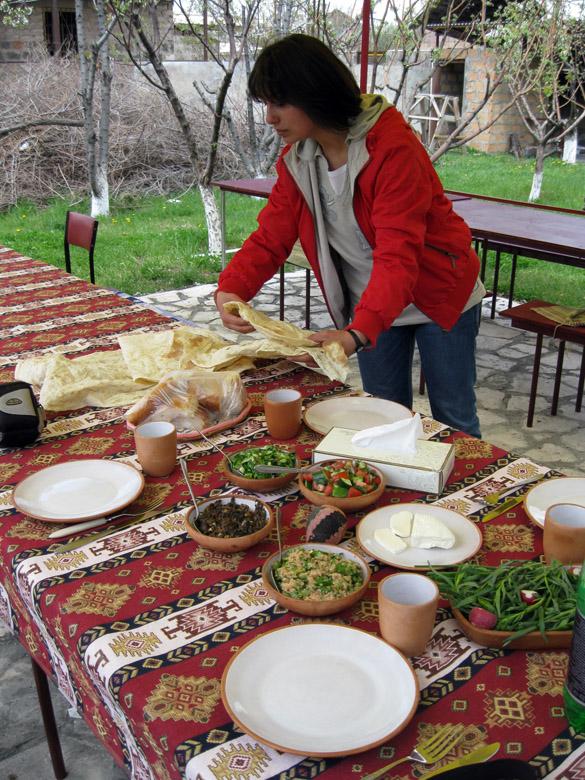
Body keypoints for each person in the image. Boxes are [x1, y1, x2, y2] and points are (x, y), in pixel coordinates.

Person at [214, 33, 485, 438]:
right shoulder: (299, 159)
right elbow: (272, 235)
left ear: (314, 94)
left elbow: (398, 255)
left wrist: (356, 334)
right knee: (382, 416)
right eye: (266, 104)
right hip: (372, 304)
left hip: (438, 295)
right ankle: (396, 497)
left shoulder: (392, 149)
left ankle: (460, 498)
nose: (269, 117)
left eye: (279, 103)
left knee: (453, 418)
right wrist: (231, 289)